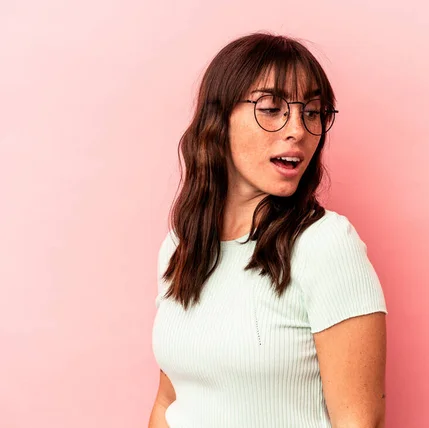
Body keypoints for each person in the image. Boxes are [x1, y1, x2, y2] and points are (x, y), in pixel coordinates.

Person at [149, 32, 388, 428]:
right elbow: (169, 401)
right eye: (272, 108)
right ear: (218, 118)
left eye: (312, 112)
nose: (298, 129)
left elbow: (361, 423)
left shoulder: (326, 244)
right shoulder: (180, 247)